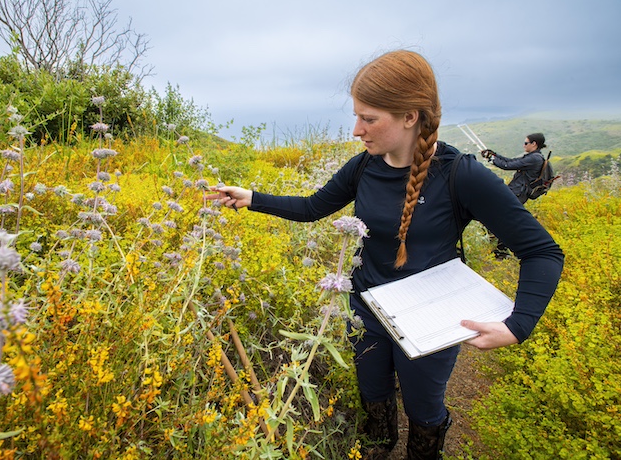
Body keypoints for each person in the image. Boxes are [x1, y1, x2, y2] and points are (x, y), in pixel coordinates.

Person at [206, 50, 564, 460]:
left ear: (410, 116)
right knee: (373, 393)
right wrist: (252, 198)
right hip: (367, 309)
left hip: (430, 321)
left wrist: (519, 325)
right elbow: (312, 207)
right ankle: (378, 447)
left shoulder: (459, 173)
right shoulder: (364, 166)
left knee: (424, 408)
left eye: (369, 118)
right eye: (357, 116)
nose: (357, 129)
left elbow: (542, 251)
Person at [481, 133, 547, 258]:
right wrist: (494, 155)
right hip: (516, 191)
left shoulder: (535, 159)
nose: (524, 145)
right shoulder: (533, 156)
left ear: (534, 144)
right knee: (500, 217)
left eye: (526, 143)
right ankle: (499, 246)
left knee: (503, 219)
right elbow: (512, 161)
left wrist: (492, 159)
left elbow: (507, 166)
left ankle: (502, 250)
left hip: (518, 193)